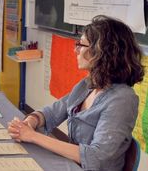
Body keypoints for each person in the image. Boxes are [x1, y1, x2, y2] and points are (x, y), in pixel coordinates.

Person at [8, 15, 144, 171]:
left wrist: (32, 136)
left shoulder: (123, 99)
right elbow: (53, 112)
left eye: (81, 45)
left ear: (102, 52)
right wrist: (32, 121)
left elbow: (96, 157)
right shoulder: (87, 85)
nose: (75, 50)